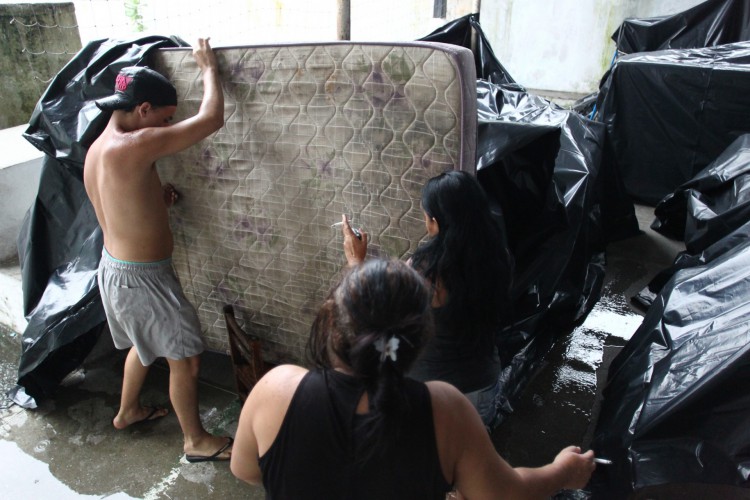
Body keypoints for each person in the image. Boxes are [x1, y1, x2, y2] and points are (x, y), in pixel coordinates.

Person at [230, 259, 595, 498]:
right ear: (417, 342)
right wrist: (562, 472)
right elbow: (503, 494)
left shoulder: (275, 390)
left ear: (331, 322)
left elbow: (244, 468)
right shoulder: (445, 408)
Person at [83, 38, 232, 462]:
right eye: (165, 119)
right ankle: (196, 442)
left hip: (115, 270)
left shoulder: (99, 150)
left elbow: (115, 206)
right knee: (185, 358)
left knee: (143, 345)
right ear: (143, 110)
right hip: (144, 278)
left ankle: (127, 412)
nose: (166, 129)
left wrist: (152, 199)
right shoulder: (134, 145)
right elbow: (211, 119)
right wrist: (208, 69)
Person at [342, 170, 512, 429]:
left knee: (429, 464)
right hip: (482, 388)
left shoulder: (426, 272)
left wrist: (356, 262)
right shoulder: (499, 257)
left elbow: (372, 314)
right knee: (468, 464)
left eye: (425, 215)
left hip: (433, 394)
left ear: (434, 222)